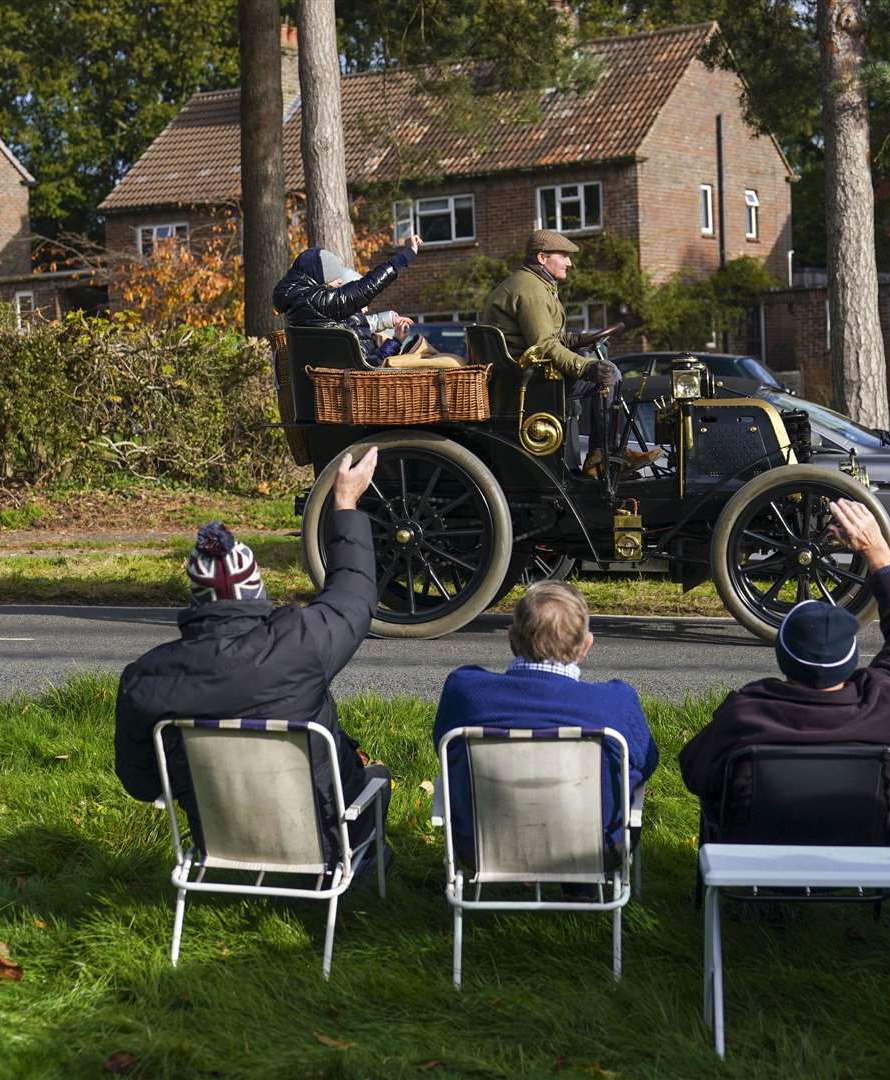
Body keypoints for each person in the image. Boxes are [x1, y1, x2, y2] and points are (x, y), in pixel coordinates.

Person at [114, 447, 390, 865]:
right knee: (377, 777)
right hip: (324, 837)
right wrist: (345, 503)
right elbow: (352, 595)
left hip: (218, 838)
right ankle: (368, 865)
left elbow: (141, 783)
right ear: (256, 591)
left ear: (195, 598)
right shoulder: (302, 642)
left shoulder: (146, 679)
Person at [679, 500, 890, 828]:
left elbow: (695, 772)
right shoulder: (887, 707)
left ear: (782, 657)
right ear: (851, 659)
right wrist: (877, 552)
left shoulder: (746, 714)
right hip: (860, 860)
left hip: (757, 867)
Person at [432, 580, 659, 868]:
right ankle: (580, 884)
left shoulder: (466, 692)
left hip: (480, 848)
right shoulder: (615, 703)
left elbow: (442, 749)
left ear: (511, 637)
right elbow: (646, 762)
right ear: (585, 644)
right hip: (597, 850)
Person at [482, 229, 658, 478]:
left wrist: (577, 339)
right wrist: (586, 368)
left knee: (605, 371)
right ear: (542, 257)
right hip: (529, 382)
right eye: (563, 256)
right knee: (610, 376)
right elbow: (543, 344)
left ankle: (603, 454)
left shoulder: (531, 284)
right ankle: (601, 455)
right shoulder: (531, 291)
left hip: (522, 376)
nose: (569, 262)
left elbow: (541, 336)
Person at [273, 239, 421, 366]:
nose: (339, 283)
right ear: (321, 279)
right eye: (335, 284)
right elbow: (366, 288)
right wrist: (407, 256)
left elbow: (352, 323)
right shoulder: (316, 301)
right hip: (357, 383)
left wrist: (388, 319)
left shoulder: (301, 304)